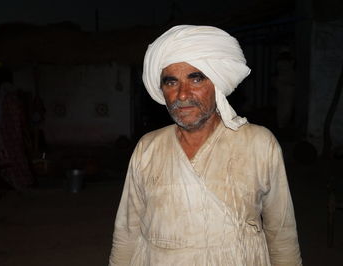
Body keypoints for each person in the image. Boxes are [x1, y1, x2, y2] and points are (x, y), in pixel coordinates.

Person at [109, 25, 302, 265]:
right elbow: (127, 231)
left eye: (196, 79)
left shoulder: (259, 144)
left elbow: (281, 233)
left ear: (217, 84)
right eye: (171, 83)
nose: (182, 94)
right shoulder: (148, 148)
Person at [0, 77, 34, 194]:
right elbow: (23, 123)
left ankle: (4, 186)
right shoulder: (17, 104)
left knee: (3, 162)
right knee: (17, 158)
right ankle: (19, 184)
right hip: (15, 138)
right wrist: (28, 138)